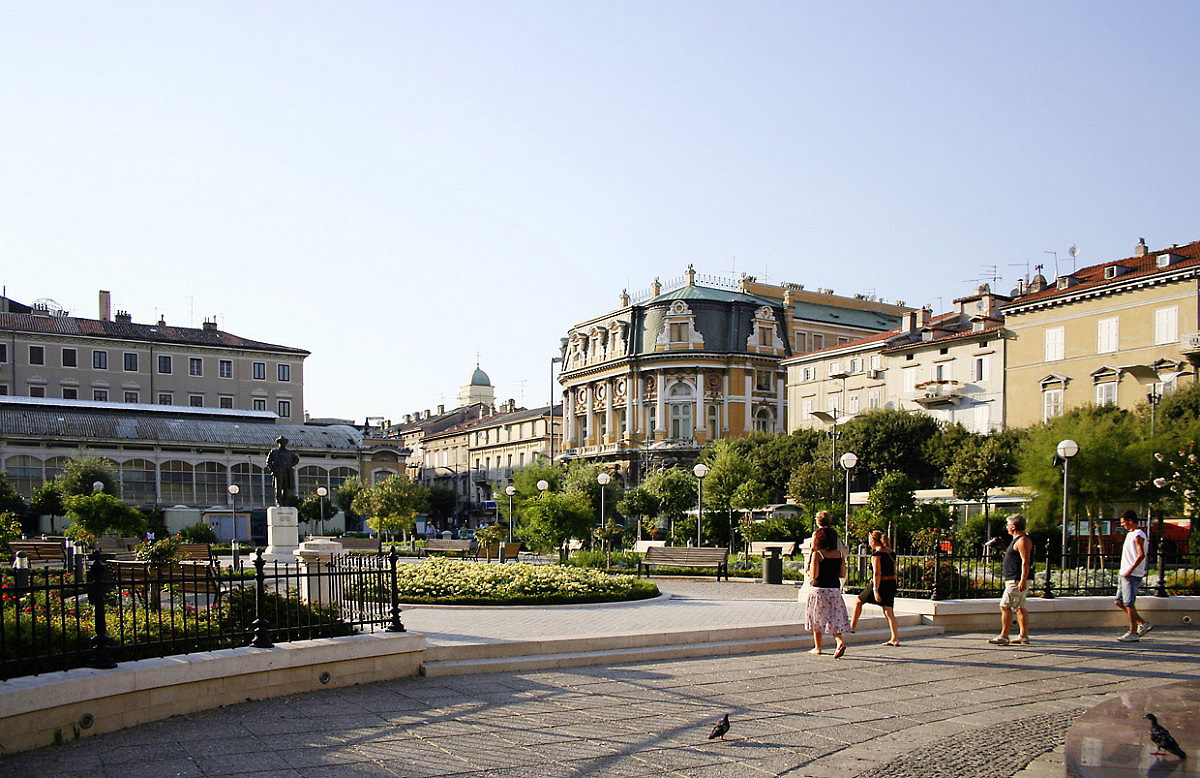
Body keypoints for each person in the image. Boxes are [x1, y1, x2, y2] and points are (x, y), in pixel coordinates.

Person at [805, 525, 850, 658]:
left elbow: (814, 575)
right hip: (834, 589)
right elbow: (842, 574)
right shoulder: (839, 554)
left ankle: (818, 647)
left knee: (817, 618)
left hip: (819, 589)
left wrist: (808, 570)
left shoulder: (818, 554)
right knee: (834, 616)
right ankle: (839, 641)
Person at [849, 530, 900, 646]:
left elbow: (877, 573)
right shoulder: (891, 552)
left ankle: (852, 627)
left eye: (869, 540)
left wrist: (875, 590)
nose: (869, 543)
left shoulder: (877, 554)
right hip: (891, 583)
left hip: (880, 584)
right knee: (888, 611)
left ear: (873, 541)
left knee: (858, 601)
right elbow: (894, 570)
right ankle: (895, 638)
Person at [989, 514, 1032, 646]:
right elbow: (1014, 557)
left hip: (1016, 580)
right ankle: (1023, 636)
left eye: (1008, 525)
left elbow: (1025, 561)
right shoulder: (1017, 540)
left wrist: (1023, 580)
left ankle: (1004, 636)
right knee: (1020, 607)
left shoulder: (1022, 540)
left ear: (1013, 527)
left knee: (1005, 606)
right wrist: (1002, 547)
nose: (1006, 527)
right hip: (1016, 579)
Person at [1116, 510, 1152, 642]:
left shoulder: (1138, 535)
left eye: (1123, 522)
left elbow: (1141, 555)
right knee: (1120, 602)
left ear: (1130, 521)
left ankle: (1132, 632)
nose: (1122, 525)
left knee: (1129, 603)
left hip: (1131, 574)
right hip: (1124, 573)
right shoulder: (1130, 534)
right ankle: (1143, 624)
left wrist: (1130, 570)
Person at [265, 436, 300, 506]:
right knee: (278, 487)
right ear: (279, 443)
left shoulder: (289, 452)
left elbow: (296, 459)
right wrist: (273, 470)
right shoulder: (274, 452)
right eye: (281, 442)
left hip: (287, 472)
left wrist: (290, 465)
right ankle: (278, 501)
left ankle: (285, 502)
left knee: (286, 488)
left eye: (284, 442)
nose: (282, 443)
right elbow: (268, 462)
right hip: (278, 472)